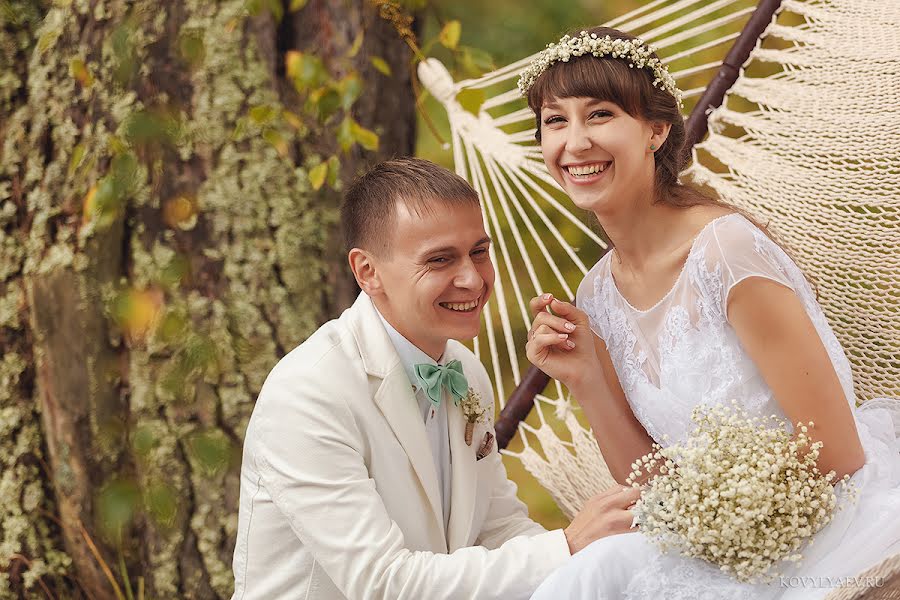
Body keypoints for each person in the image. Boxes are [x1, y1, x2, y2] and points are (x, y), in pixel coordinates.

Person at [520, 26, 900, 599]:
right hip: (711, 543)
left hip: (823, 525)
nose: (574, 143)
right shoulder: (595, 293)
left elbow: (838, 451)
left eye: (599, 115)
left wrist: (721, 531)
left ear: (656, 130)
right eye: (555, 121)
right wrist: (587, 378)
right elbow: (649, 487)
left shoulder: (725, 252)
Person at [230, 157, 641, 600]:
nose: (472, 278)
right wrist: (568, 545)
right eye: (440, 259)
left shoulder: (465, 370)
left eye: (478, 252)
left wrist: (599, 555)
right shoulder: (308, 393)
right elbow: (384, 583)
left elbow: (496, 527)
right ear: (367, 271)